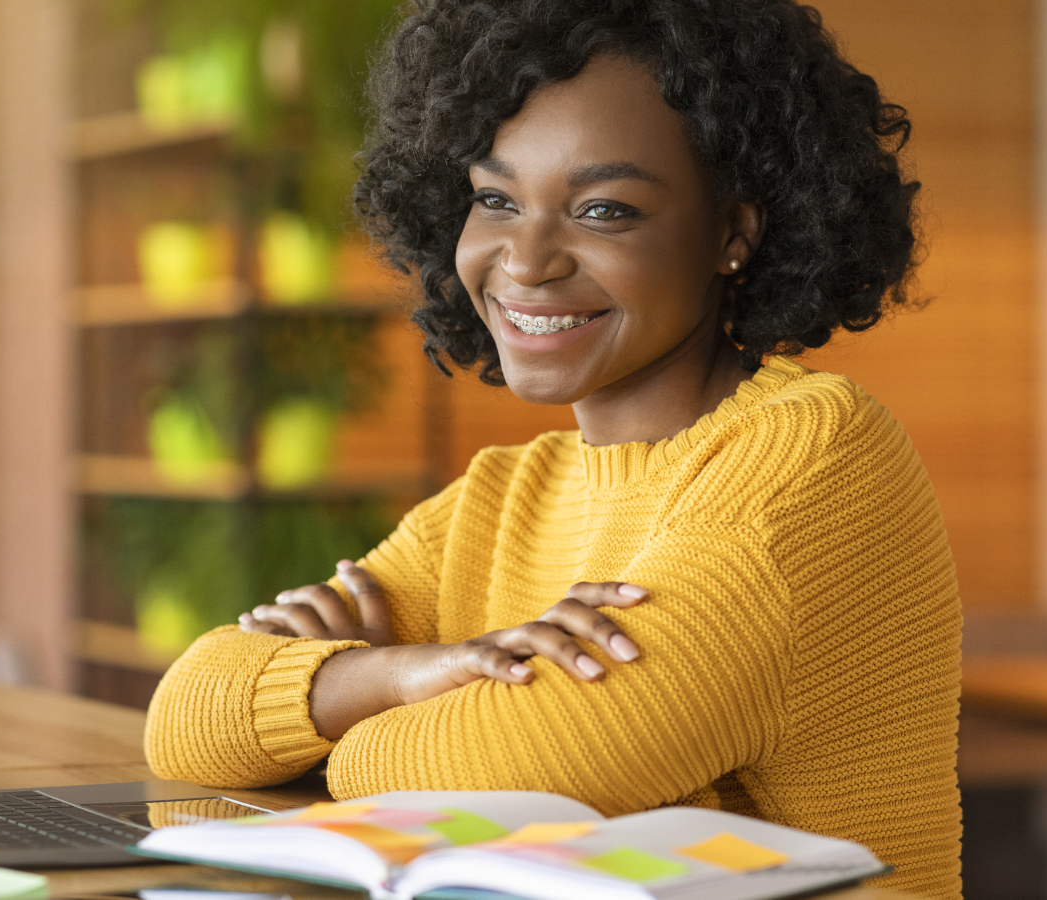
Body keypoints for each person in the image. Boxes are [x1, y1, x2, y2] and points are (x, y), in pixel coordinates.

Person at [143, 1, 960, 896]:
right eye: (494, 199)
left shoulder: (816, 457)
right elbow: (187, 716)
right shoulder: (508, 493)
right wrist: (409, 670)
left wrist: (349, 701)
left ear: (735, 233)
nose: (526, 259)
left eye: (604, 210)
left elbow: (511, 766)